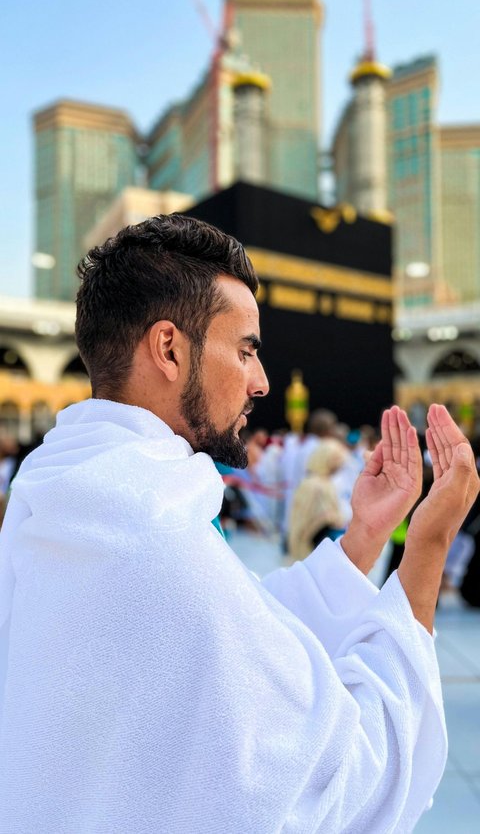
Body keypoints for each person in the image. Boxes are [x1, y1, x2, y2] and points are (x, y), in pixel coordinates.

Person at [0, 214, 479, 834]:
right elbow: (350, 787)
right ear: (169, 348)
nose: (261, 381)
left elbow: (240, 620)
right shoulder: (155, 535)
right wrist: (428, 545)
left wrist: (363, 536)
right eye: (246, 350)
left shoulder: (61, 493)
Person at [288, 438, 347, 561]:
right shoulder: (314, 485)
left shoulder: (322, 482)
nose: (337, 467)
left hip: (316, 548)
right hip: (309, 548)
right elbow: (304, 521)